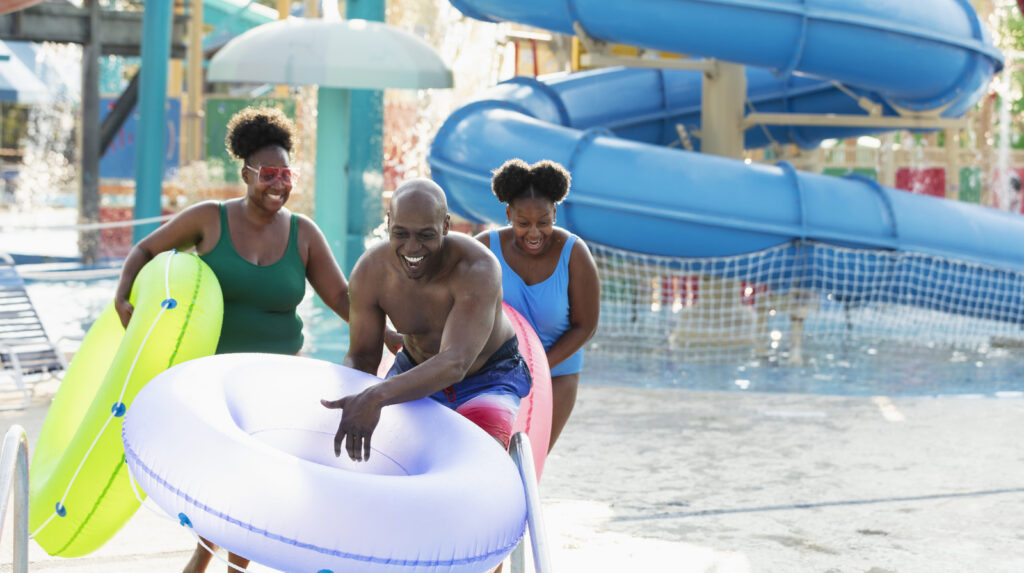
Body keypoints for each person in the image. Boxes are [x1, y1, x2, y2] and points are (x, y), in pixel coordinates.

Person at [113, 106, 397, 573]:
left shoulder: (304, 234)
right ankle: (210, 562)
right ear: (245, 172)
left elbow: (342, 297)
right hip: (212, 381)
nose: (279, 184)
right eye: (268, 173)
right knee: (223, 480)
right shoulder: (208, 220)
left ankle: (218, 566)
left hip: (277, 383)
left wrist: (384, 334)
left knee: (248, 481)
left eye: (287, 174)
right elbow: (146, 250)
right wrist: (124, 297)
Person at [321, 178, 533, 462]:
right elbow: (361, 358)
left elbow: (456, 362)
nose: (411, 248)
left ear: (445, 226)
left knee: (482, 462)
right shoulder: (371, 272)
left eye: (425, 235)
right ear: (388, 223)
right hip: (414, 368)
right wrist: (352, 401)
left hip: (487, 377)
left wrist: (376, 396)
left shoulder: (476, 267)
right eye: (401, 233)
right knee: (381, 455)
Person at [476, 158, 600, 452]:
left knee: (529, 458)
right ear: (508, 214)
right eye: (523, 223)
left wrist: (536, 367)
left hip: (556, 374)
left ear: (555, 212)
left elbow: (586, 326)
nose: (534, 233)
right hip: (494, 372)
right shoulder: (483, 248)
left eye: (543, 222)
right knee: (491, 455)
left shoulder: (574, 253)